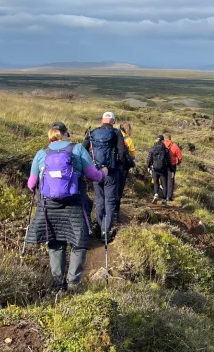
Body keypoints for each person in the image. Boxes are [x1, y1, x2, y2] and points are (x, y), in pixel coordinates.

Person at [26, 122, 106, 291]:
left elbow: (31, 183)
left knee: (55, 242)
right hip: (75, 204)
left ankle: (57, 283)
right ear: (65, 134)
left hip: (49, 206)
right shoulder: (77, 149)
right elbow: (94, 176)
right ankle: (73, 283)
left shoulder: (41, 153)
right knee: (79, 242)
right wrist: (104, 172)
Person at [83, 112, 127, 241]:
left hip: (96, 171)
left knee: (99, 199)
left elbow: (83, 148)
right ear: (113, 121)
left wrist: (90, 164)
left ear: (102, 120)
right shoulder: (116, 133)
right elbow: (122, 152)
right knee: (110, 200)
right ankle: (105, 231)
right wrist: (121, 166)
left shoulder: (92, 132)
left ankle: (100, 224)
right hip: (112, 172)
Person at [116, 122, 136, 218]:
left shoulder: (113, 136)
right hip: (123, 166)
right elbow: (132, 154)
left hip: (111, 165)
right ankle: (116, 211)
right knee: (120, 187)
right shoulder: (128, 140)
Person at [148, 135, 171, 206]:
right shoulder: (166, 149)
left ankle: (156, 194)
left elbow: (149, 159)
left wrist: (148, 166)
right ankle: (164, 201)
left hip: (155, 169)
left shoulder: (153, 148)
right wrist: (171, 169)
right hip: (163, 170)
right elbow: (169, 161)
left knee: (156, 183)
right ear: (163, 141)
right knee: (164, 185)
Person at [163, 133, 183, 202]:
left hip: (162, 165)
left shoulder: (160, 144)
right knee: (170, 180)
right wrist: (178, 163)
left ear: (164, 138)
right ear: (170, 138)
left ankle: (162, 195)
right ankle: (169, 196)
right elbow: (180, 157)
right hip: (172, 165)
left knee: (163, 179)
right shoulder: (174, 146)